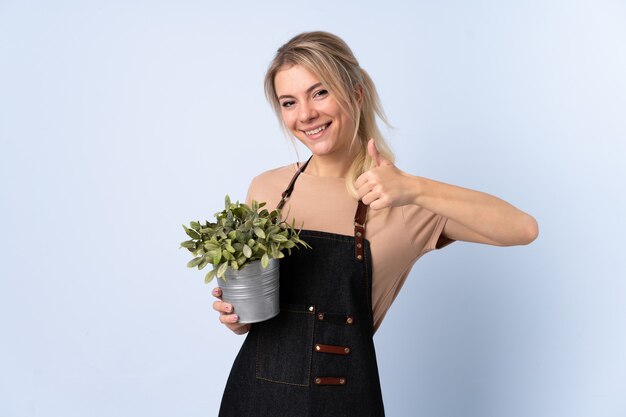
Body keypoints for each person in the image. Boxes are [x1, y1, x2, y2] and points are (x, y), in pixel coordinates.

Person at [212, 31, 538, 417]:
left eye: (319, 93)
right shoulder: (267, 189)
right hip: (254, 399)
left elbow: (522, 228)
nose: (305, 114)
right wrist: (238, 317)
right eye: (289, 102)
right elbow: (255, 316)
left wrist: (415, 188)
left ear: (357, 93)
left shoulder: (403, 201)